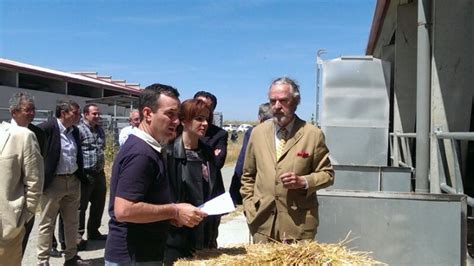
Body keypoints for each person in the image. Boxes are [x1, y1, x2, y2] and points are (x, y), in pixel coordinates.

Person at [105, 83, 207, 265]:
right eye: (170, 114)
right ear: (147, 114)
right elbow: (124, 210)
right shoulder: (141, 153)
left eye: (178, 116)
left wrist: (168, 216)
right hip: (133, 258)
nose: (176, 121)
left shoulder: (150, 148)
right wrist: (174, 210)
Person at [240, 77, 335, 243]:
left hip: (298, 225)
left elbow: (327, 174)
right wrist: (249, 208)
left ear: (296, 101)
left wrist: (303, 181)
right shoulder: (258, 133)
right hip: (262, 224)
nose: (277, 106)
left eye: (283, 101)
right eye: (272, 101)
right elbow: (248, 175)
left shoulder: (312, 134)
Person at [164, 99, 225, 264]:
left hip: (206, 235)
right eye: (199, 118)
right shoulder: (168, 154)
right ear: (183, 120)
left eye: (207, 119)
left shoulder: (207, 153)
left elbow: (215, 189)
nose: (205, 123)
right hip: (177, 238)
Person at [37, 100, 90, 266]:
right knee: (47, 223)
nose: (79, 116)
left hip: (72, 181)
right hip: (53, 183)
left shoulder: (74, 131)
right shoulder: (46, 129)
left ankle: (71, 258)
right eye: (75, 113)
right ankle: (42, 261)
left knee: (72, 222)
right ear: (63, 113)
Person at [0, 109, 44, 266]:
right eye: (28, 110)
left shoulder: (23, 135)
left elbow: (34, 179)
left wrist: (26, 214)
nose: (32, 113)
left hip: (8, 225)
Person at [7, 92, 46, 256]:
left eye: (33, 110)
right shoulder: (4, 133)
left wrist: (29, 211)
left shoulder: (38, 134)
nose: (31, 113)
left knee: (19, 249)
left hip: (24, 205)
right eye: (27, 110)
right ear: (13, 112)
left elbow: (37, 172)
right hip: (5, 200)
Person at [77, 103, 107, 248]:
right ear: (85, 114)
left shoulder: (100, 130)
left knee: (99, 204)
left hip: (99, 173)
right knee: (80, 207)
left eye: (98, 113)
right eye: (94, 114)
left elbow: (102, 149)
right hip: (85, 174)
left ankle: (93, 231)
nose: (97, 116)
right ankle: (78, 236)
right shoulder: (79, 130)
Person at [229, 103, 272, 205]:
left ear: (259, 117)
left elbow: (243, 161)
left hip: (258, 190)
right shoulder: (289, 131)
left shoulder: (254, 132)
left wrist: (234, 194)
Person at [193, 91, 228, 169]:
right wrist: (210, 154)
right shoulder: (181, 129)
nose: (203, 109)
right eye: (199, 105)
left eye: (207, 108)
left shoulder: (219, 134)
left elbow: (217, 163)